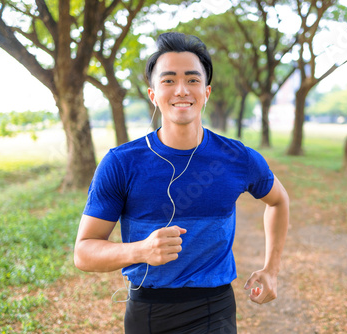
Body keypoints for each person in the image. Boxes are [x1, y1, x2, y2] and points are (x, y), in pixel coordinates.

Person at [74, 32, 289, 334]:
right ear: (152, 94)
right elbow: (83, 252)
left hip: (215, 308)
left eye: (192, 80)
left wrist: (272, 270)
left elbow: (278, 200)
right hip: (148, 311)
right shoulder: (121, 162)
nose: (181, 90)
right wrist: (140, 250)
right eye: (168, 80)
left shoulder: (237, 157)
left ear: (207, 91)